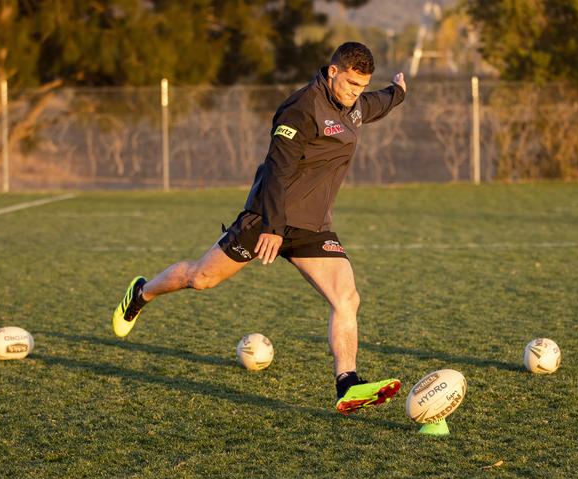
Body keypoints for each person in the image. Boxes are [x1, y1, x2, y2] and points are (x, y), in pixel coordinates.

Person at [113, 42, 407, 415]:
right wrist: (272, 226)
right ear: (332, 72)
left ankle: (346, 384)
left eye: (362, 86)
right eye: (351, 84)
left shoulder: (355, 105)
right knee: (200, 278)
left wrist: (397, 92)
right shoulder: (300, 109)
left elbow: (377, 103)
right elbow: (278, 169)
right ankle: (142, 293)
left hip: (312, 226)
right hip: (267, 219)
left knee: (347, 299)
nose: (356, 93)